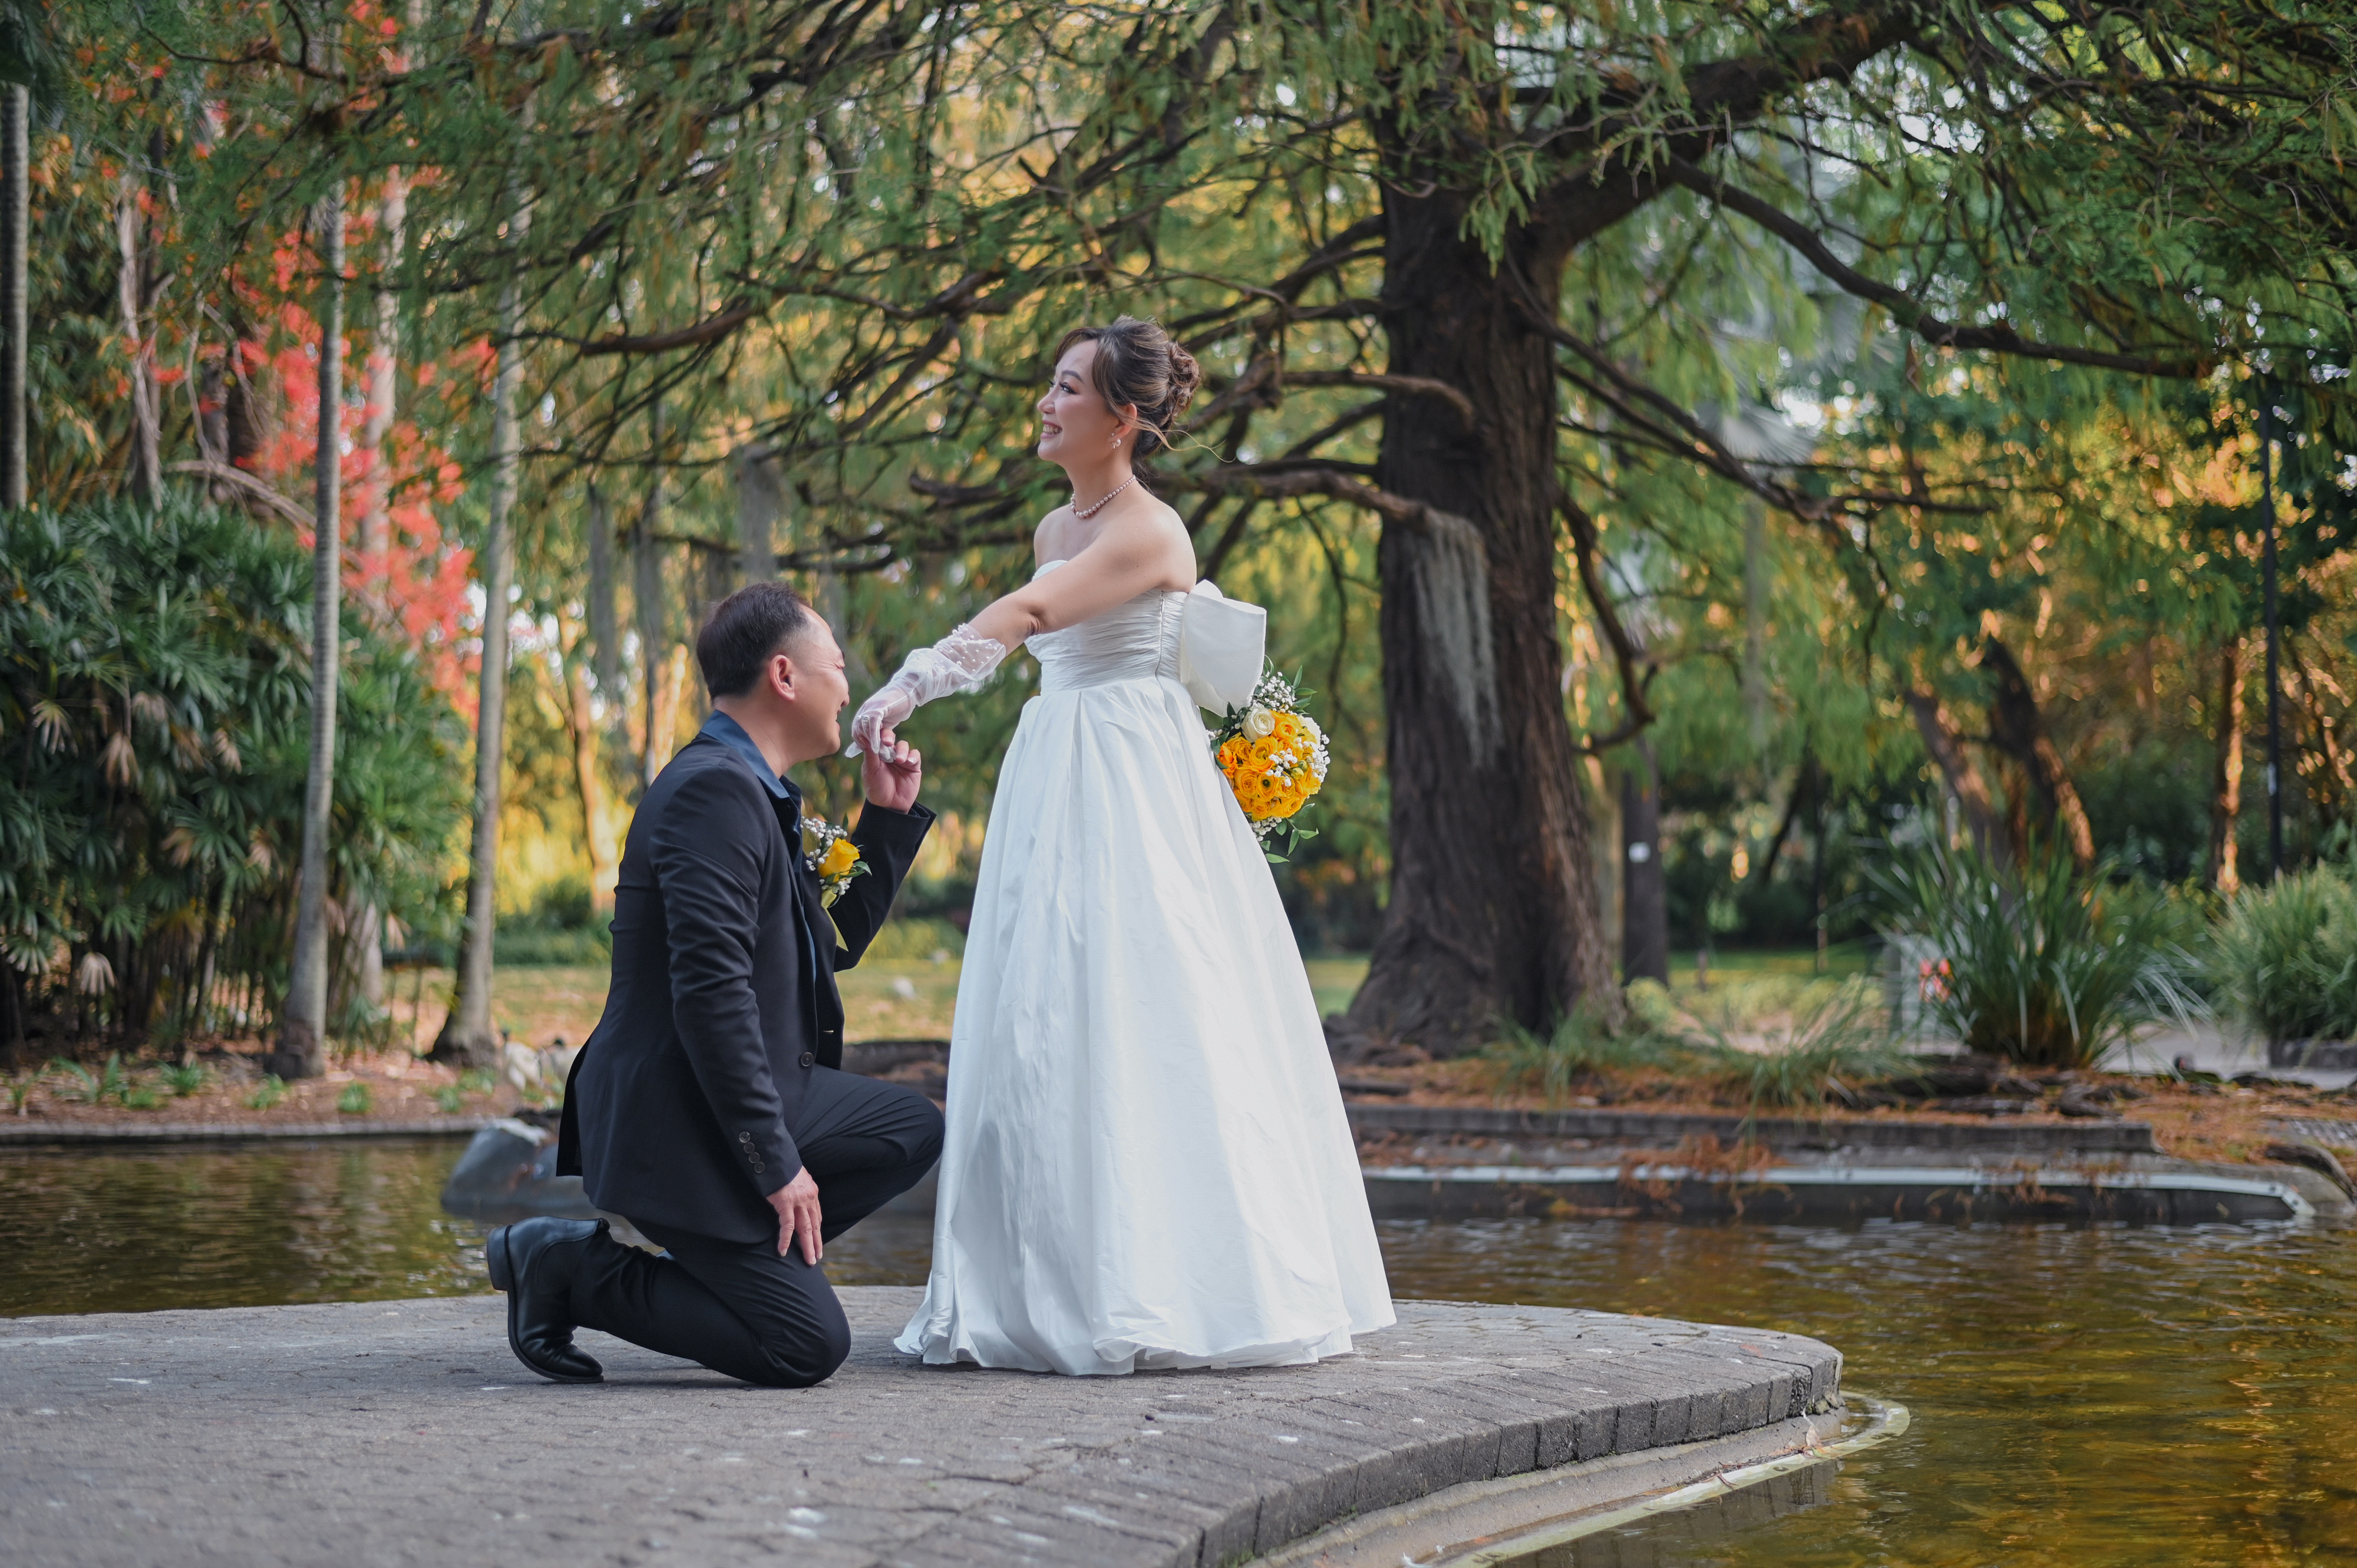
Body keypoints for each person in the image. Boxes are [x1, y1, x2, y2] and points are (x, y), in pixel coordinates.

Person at [854, 316, 1394, 1375]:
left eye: (1068, 388)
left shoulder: (1154, 533)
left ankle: (1169, 1286)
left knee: (1148, 1006)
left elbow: (1033, 611)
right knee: (1042, 1007)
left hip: (1134, 781)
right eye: (1051, 384)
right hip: (1055, 765)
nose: (1046, 403)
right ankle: (1039, 1277)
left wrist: (912, 680)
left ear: (1123, 417)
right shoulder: (1057, 524)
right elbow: (1042, 603)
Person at [486, 583, 939, 1388]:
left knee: (909, 1128)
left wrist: (885, 818)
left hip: (738, 1086)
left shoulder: (751, 788)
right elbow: (711, 994)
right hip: (675, 1112)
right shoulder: (713, 793)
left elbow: (824, 945)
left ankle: (744, 1263)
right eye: (837, 665)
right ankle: (567, 1266)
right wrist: (775, 1165)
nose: (849, 687)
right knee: (804, 1346)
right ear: (784, 676)